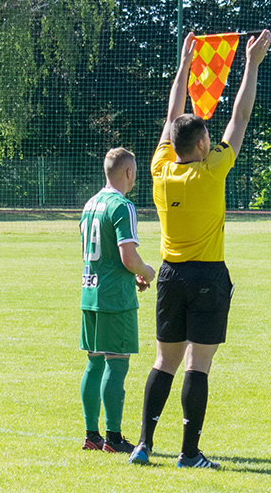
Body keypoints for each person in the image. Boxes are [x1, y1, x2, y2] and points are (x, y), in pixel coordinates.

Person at [128, 29, 271, 468]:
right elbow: (240, 117)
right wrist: (251, 65)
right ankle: (189, 454)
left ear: (172, 144)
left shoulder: (159, 168)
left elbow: (173, 114)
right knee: (198, 364)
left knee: (163, 362)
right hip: (207, 275)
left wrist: (184, 66)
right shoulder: (212, 170)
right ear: (204, 145)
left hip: (170, 276)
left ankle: (143, 445)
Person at [79, 147, 156, 454]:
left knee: (94, 361)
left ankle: (91, 435)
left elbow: (104, 255)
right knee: (117, 362)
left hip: (90, 292)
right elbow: (128, 257)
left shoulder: (90, 204)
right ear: (128, 172)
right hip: (115, 299)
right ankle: (113, 437)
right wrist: (146, 271)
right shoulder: (123, 206)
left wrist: (129, 274)